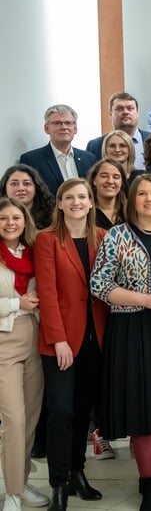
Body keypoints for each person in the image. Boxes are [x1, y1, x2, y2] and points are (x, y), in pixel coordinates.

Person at [89, 173, 151, 510]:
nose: (149, 199)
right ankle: (148, 487)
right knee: (143, 411)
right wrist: (143, 298)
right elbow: (99, 285)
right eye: (142, 194)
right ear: (131, 200)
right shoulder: (117, 235)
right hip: (133, 332)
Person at [36, 180, 107, 509]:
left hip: (97, 338)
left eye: (82, 197)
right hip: (61, 341)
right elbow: (47, 293)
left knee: (82, 410)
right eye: (70, 197)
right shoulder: (47, 240)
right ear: (60, 204)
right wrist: (59, 339)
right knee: (61, 410)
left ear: (91, 203)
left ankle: (78, 472)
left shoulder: (103, 238)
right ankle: (59, 483)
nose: (77, 202)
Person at [0, 198, 48, 510]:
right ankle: (12, 493)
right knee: (13, 419)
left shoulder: (33, 252)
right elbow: (22, 300)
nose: (9, 223)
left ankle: (22, 479)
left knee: (30, 418)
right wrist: (18, 304)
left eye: (15, 217)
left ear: (25, 220)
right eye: (2, 218)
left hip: (35, 338)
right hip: (5, 339)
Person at [1, 165, 56, 230]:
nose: (20, 188)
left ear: (36, 187)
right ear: (4, 187)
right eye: (14, 184)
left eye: (27, 183)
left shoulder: (53, 217)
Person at [88, 159, 128, 230]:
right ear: (94, 180)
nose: (110, 181)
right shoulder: (85, 212)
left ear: (122, 182)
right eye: (104, 176)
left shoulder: (130, 212)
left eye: (116, 177)